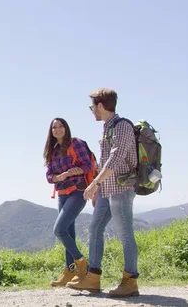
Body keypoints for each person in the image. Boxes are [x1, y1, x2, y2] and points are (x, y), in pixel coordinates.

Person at [66, 88, 140, 297]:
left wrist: (95, 184)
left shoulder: (122, 126)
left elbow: (115, 160)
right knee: (95, 228)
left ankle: (130, 280)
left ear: (101, 105)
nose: (91, 111)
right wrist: (100, 187)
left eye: (92, 106)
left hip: (122, 189)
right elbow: (105, 161)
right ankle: (93, 277)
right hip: (108, 190)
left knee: (125, 235)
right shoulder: (108, 128)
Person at [44, 118, 92, 287]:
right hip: (62, 194)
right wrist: (59, 176)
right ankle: (69, 271)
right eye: (54, 127)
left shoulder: (76, 143)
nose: (57, 129)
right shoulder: (53, 151)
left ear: (66, 128)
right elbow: (49, 176)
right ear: (51, 131)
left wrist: (73, 171)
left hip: (77, 191)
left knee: (59, 229)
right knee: (68, 233)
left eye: (60, 126)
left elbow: (87, 166)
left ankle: (81, 263)